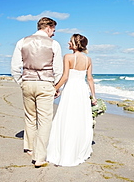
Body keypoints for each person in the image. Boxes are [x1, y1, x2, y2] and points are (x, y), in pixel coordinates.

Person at [11, 17, 63, 168]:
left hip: (27, 82)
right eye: (53, 30)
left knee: (30, 116)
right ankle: (39, 157)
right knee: (45, 119)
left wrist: (21, 82)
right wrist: (56, 87)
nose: (53, 33)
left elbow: (15, 67)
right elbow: (58, 69)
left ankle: (30, 147)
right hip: (45, 83)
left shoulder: (22, 41)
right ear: (48, 27)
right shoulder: (54, 44)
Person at [46, 33, 97, 167]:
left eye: (70, 41)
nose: (68, 43)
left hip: (71, 90)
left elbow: (65, 77)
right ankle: (77, 149)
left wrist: (54, 88)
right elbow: (90, 79)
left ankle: (65, 150)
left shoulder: (68, 57)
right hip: (82, 91)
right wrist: (93, 96)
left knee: (67, 117)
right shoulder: (88, 60)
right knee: (80, 119)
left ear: (75, 44)